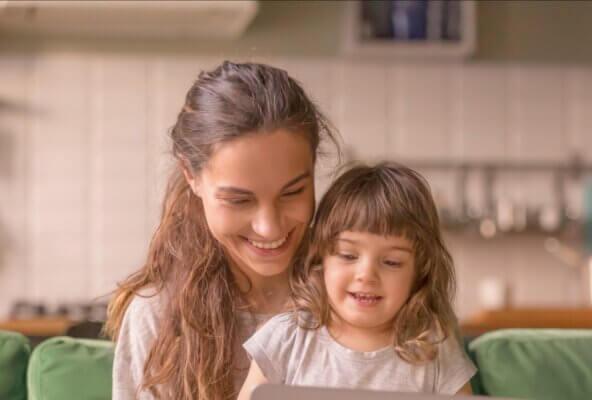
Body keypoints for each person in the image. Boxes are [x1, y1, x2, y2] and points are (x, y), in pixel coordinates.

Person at [104, 61, 339, 400]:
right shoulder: (158, 316)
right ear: (191, 176)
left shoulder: (362, 294)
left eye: (293, 193)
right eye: (239, 200)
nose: (268, 226)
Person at [238, 162, 476, 399]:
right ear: (321, 259)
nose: (366, 275)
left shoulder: (433, 347)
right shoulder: (286, 339)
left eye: (392, 262)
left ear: (419, 271)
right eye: (349, 255)